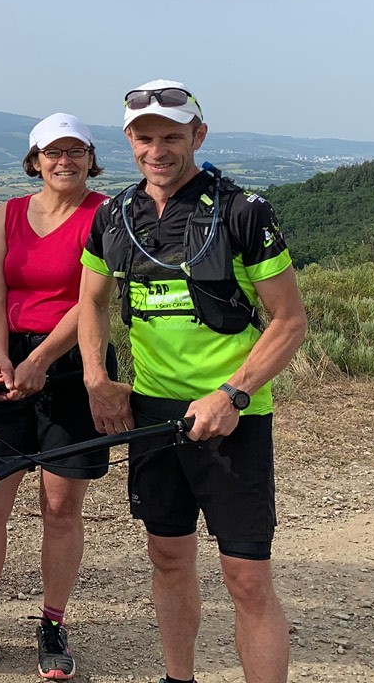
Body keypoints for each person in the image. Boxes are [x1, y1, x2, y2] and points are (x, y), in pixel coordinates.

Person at [77, 80, 306, 683]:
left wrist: (233, 393)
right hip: (155, 416)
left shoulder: (243, 210)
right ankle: (178, 678)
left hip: (235, 417)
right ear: (129, 141)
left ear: (198, 136)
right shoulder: (113, 215)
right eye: (145, 137)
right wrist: (98, 377)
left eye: (172, 136)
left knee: (248, 577)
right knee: (168, 557)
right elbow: (91, 303)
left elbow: (289, 320)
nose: (158, 149)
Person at [0, 114, 116, 678]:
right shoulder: (7, 214)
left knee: (60, 508)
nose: (65, 161)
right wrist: (4, 357)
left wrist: (39, 360)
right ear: (35, 159)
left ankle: (52, 624)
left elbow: (92, 302)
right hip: (8, 365)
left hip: (76, 364)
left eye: (75, 151)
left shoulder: (103, 215)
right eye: (53, 152)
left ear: (89, 157)